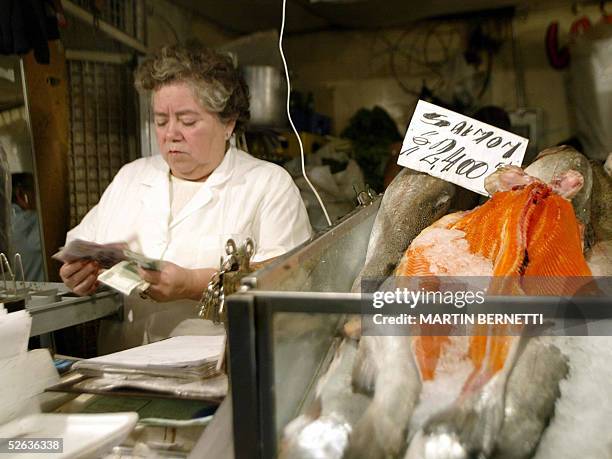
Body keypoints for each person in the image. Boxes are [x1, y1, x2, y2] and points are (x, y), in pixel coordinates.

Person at [59, 45, 312, 352]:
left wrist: (192, 283)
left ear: (228, 122)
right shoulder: (131, 177)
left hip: (219, 372)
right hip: (123, 366)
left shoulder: (267, 184)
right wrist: (79, 275)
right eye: (161, 121)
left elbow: (289, 282)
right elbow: (81, 249)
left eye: (188, 121)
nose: (171, 134)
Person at [11, 172, 45, 281]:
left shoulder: (6, 223)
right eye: (38, 189)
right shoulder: (33, 220)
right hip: (39, 294)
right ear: (21, 194)